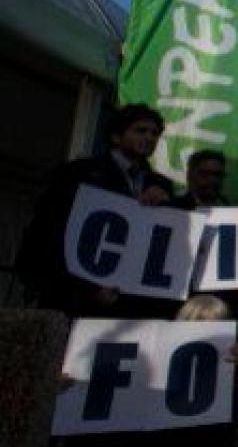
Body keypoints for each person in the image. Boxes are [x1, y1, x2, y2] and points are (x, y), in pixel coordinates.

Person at [16, 103, 176, 318]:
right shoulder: (78, 173)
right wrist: (87, 288)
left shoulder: (161, 185)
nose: (149, 138)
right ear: (116, 136)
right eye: (141, 130)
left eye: (155, 133)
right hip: (77, 299)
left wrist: (168, 205)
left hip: (132, 304)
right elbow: (51, 234)